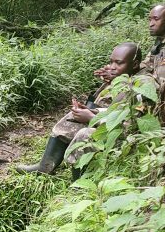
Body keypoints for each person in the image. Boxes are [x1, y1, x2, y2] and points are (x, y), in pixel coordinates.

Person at [17, 42, 142, 175]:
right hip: (110, 124)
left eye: (118, 63)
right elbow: (111, 111)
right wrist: (92, 111)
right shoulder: (121, 83)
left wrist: (92, 118)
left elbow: (128, 127)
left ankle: (78, 183)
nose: (111, 67)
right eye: (111, 62)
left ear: (134, 64)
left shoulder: (139, 88)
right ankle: (45, 167)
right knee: (72, 116)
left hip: (127, 139)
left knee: (85, 134)